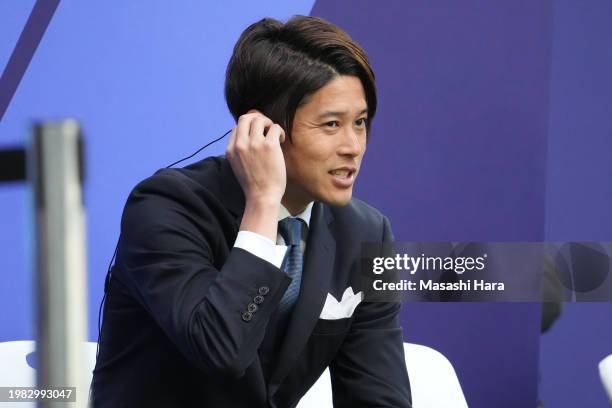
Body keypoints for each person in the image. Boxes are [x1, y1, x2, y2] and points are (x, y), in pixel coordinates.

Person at [91, 15, 412, 407]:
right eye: (331, 125)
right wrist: (262, 203)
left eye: (360, 123)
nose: (353, 146)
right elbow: (220, 350)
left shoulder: (366, 233)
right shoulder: (165, 207)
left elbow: (379, 396)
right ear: (265, 129)